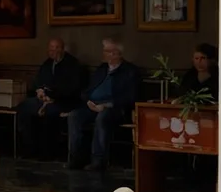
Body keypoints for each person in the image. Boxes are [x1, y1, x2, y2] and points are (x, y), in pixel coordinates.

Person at [67, 38, 140, 171]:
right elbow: (88, 89)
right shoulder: (101, 69)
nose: (103, 53)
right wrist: (87, 100)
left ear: (116, 54)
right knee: (74, 116)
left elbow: (131, 97)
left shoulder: (130, 71)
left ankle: (98, 161)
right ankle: (77, 158)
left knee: (102, 117)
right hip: (93, 105)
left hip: (115, 108)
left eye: (106, 51)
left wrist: (107, 105)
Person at [15, 37, 82, 158]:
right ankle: (28, 149)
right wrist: (39, 91)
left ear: (62, 49)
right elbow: (38, 82)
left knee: (48, 114)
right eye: (51, 48)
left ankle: (47, 153)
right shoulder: (47, 64)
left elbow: (72, 89)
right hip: (43, 99)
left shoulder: (72, 64)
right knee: (24, 107)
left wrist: (51, 96)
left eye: (56, 48)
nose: (54, 51)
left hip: (63, 101)